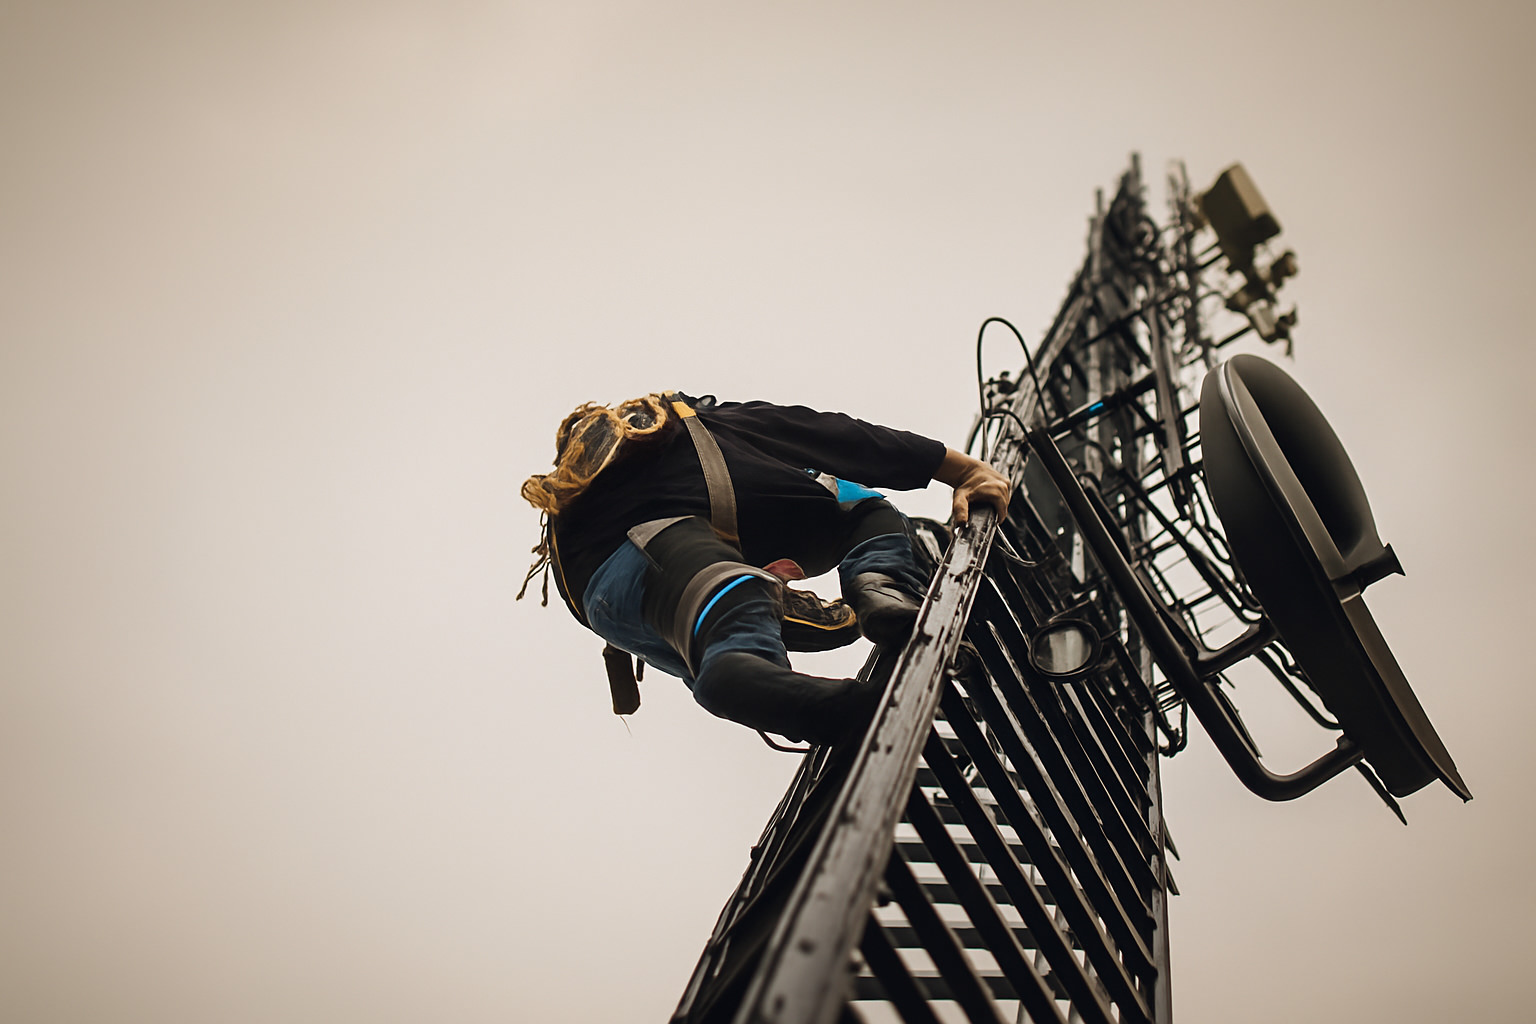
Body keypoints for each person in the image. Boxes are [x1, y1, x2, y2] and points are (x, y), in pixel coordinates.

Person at [518, 392, 1010, 746]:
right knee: (862, 507)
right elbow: (835, 436)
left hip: (611, 602)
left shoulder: (579, 507)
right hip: (666, 539)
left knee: (728, 620)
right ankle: (879, 583)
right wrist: (961, 470)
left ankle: (759, 667)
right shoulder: (713, 425)